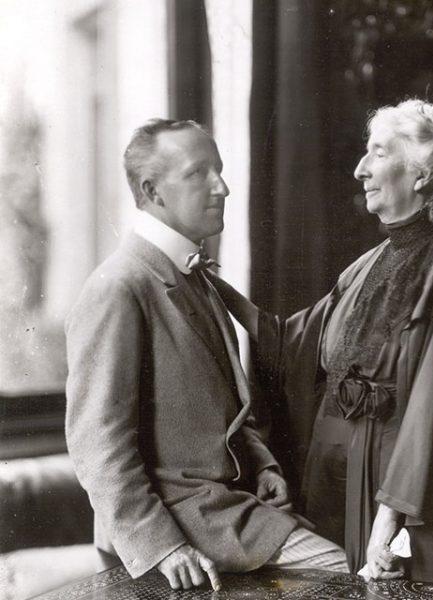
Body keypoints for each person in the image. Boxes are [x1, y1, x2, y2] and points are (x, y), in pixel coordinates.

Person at [208, 99, 433, 598]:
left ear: (421, 174)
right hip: (334, 476)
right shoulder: (366, 264)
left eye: (378, 153)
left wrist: (388, 519)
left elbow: (430, 407)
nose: (360, 169)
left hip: (406, 492)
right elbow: (291, 341)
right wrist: (215, 289)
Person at [65, 119, 348, 592]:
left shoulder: (195, 276)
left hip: (228, 509)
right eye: (199, 173)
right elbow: (97, 444)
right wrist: (162, 546)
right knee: (352, 578)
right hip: (181, 521)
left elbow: (221, 408)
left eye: (218, 170)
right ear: (153, 191)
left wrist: (263, 467)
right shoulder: (119, 287)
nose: (223, 187)